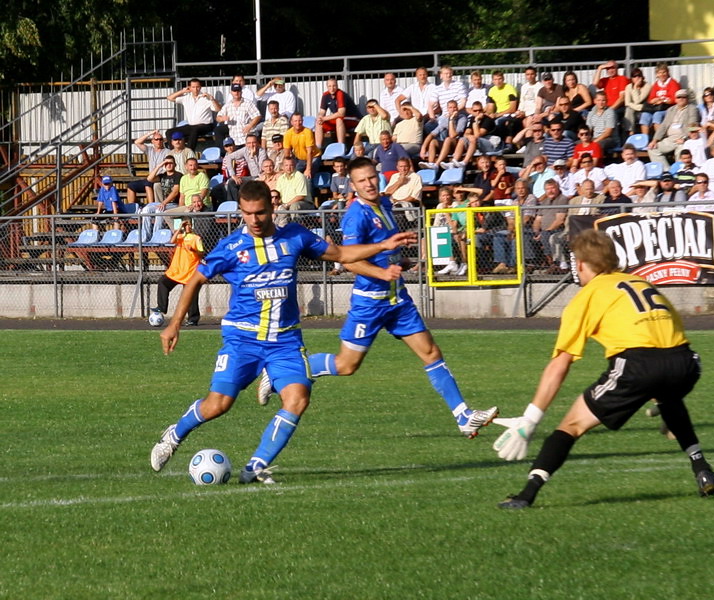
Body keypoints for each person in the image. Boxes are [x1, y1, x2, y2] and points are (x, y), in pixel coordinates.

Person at [149, 180, 416, 483]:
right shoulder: (232, 247)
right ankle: (173, 436)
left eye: (260, 213)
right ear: (241, 211)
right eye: (248, 214)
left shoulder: (295, 237)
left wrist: (382, 246)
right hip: (243, 340)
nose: (254, 220)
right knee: (218, 405)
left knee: (298, 399)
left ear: (272, 208)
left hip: (285, 341)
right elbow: (195, 279)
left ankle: (255, 468)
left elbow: (340, 254)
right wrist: (174, 324)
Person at [493, 228, 714, 509]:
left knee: (571, 426)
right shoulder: (639, 282)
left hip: (639, 366)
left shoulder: (588, 295)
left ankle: (527, 494)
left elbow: (560, 363)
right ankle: (702, 468)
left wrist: (530, 419)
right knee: (665, 395)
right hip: (686, 363)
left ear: (582, 264)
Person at [277, 157, 499, 438]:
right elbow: (350, 260)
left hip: (397, 299)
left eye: (372, 178)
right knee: (346, 366)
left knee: (431, 352)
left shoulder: (384, 204)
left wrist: (400, 261)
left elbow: (383, 252)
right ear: (354, 186)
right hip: (370, 302)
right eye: (362, 181)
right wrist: (382, 274)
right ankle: (284, 371)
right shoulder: (355, 216)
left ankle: (463, 415)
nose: (369, 184)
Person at [151, 218, 205, 327]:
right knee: (163, 282)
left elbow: (201, 253)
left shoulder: (196, 238)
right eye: (186, 225)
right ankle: (162, 307)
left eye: (189, 225)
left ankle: (193, 319)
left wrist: (194, 250)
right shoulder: (181, 237)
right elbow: (172, 241)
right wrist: (179, 227)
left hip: (190, 271)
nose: (187, 227)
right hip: (177, 271)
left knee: (191, 296)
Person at [165, 79, 220, 149]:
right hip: (191, 126)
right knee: (169, 132)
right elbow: (169, 98)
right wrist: (182, 91)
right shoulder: (186, 98)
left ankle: (189, 153)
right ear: (189, 88)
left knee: (194, 130)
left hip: (206, 125)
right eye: (193, 87)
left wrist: (212, 99)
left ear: (200, 87)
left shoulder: (206, 98)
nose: (196, 89)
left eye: (197, 87)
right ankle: (175, 153)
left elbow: (218, 109)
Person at [314, 77, 362, 149]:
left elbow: (341, 113)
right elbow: (322, 111)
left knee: (339, 119)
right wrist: (320, 118)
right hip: (341, 121)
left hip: (353, 119)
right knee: (318, 123)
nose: (332, 88)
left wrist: (324, 118)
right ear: (327, 87)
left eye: (334, 86)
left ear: (337, 86)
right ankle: (318, 149)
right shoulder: (325, 95)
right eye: (329, 86)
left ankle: (341, 147)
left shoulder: (340, 94)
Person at [127, 130, 168, 205]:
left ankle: (151, 207)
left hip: (161, 178)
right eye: (156, 139)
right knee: (131, 185)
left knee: (148, 182)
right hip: (150, 178)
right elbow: (137, 142)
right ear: (152, 141)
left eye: (161, 139)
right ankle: (133, 208)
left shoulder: (167, 152)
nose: (159, 141)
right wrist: (151, 133)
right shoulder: (150, 150)